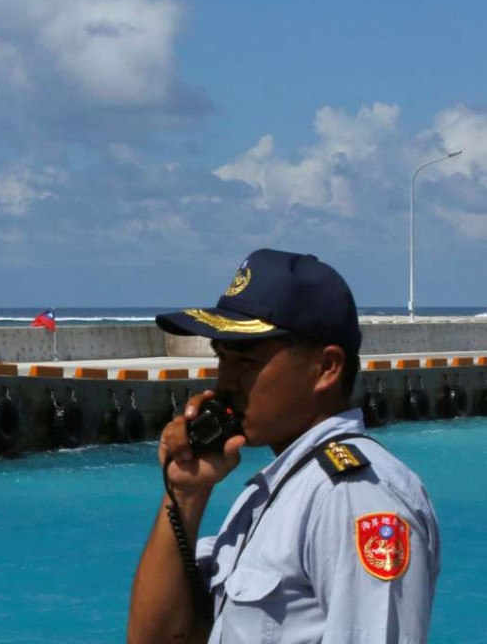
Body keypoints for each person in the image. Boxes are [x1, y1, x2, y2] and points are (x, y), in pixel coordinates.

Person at [127, 248, 439, 644]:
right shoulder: (277, 491)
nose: (225, 382)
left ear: (326, 368)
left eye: (245, 361)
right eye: (221, 358)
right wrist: (185, 496)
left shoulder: (353, 496)